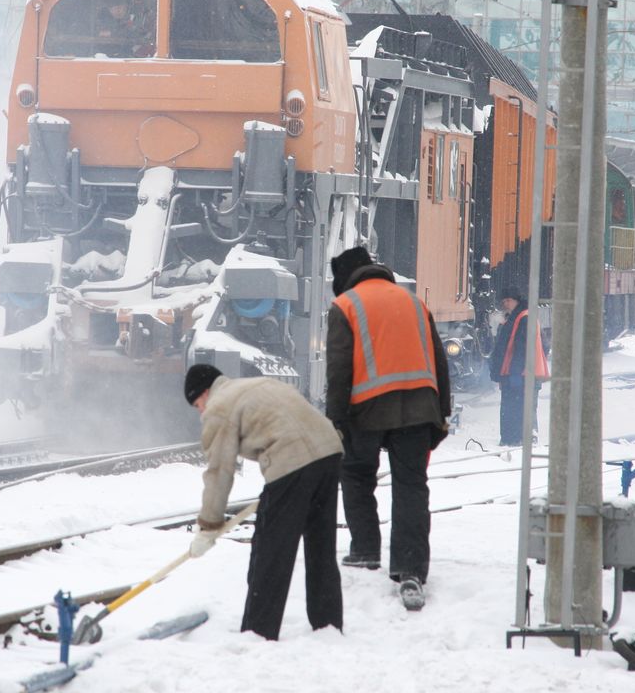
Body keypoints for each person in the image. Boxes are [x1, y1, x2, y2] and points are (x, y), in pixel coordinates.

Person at [325, 246, 452, 612]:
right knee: (412, 485)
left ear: (345, 279)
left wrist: (336, 422)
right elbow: (439, 361)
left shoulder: (346, 305)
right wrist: (442, 412)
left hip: (367, 409)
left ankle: (365, 549)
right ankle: (410, 566)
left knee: (356, 473)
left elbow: (339, 371)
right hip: (419, 407)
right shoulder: (413, 302)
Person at [184, 364, 343, 641]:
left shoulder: (219, 407)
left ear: (206, 392)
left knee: (271, 553)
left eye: (198, 404)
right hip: (329, 453)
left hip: (291, 463)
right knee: (321, 548)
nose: (201, 411)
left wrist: (209, 525)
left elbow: (219, 470)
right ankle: (327, 624)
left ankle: (258, 633)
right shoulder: (256, 385)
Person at [489, 287, 548, 447]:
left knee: (520, 407)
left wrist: (516, 371)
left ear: (516, 300)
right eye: (504, 302)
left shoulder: (524, 318)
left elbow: (522, 348)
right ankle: (513, 438)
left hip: (522, 374)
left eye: (508, 300)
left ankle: (520, 439)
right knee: (517, 407)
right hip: (516, 373)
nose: (506, 304)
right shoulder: (516, 318)